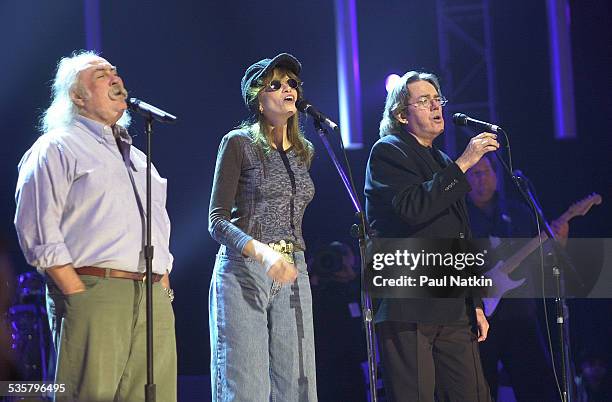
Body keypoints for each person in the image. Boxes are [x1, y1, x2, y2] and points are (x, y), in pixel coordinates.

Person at [14, 50, 176, 402]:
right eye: (101, 74)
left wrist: (162, 281)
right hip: (95, 289)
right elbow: (37, 223)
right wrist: (75, 291)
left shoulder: (137, 157)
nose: (114, 77)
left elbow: (159, 224)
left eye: (115, 71)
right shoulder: (57, 146)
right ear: (77, 96)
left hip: (150, 295)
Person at [364, 70, 498, 401]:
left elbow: (459, 236)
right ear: (401, 114)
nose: (436, 106)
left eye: (438, 99)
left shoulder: (440, 159)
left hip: (453, 305)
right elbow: (412, 209)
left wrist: (475, 303)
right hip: (409, 304)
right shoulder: (388, 152)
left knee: (474, 394)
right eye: (424, 101)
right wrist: (464, 162)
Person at [208, 53, 317, 401]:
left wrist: (287, 259)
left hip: (293, 270)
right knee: (247, 386)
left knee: (298, 384)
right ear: (257, 97)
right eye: (276, 84)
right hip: (245, 268)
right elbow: (216, 220)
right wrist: (262, 252)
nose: (288, 89)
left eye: (292, 83)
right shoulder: (238, 142)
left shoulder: (305, 151)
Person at [465, 155, 567, 401]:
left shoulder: (519, 212)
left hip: (520, 313)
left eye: (486, 172)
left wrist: (559, 241)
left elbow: (544, 260)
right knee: (479, 388)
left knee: (536, 386)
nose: (481, 179)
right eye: (475, 174)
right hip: (478, 318)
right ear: (465, 179)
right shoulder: (459, 219)